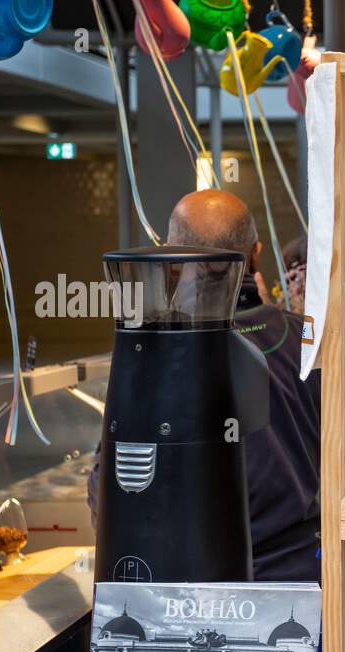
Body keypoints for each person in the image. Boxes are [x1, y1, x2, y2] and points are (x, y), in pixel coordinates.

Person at [89, 190, 321, 581]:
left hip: (193, 589)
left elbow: (108, 489)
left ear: (172, 262)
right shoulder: (308, 340)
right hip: (301, 581)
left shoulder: (155, 350)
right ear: (256, 254)